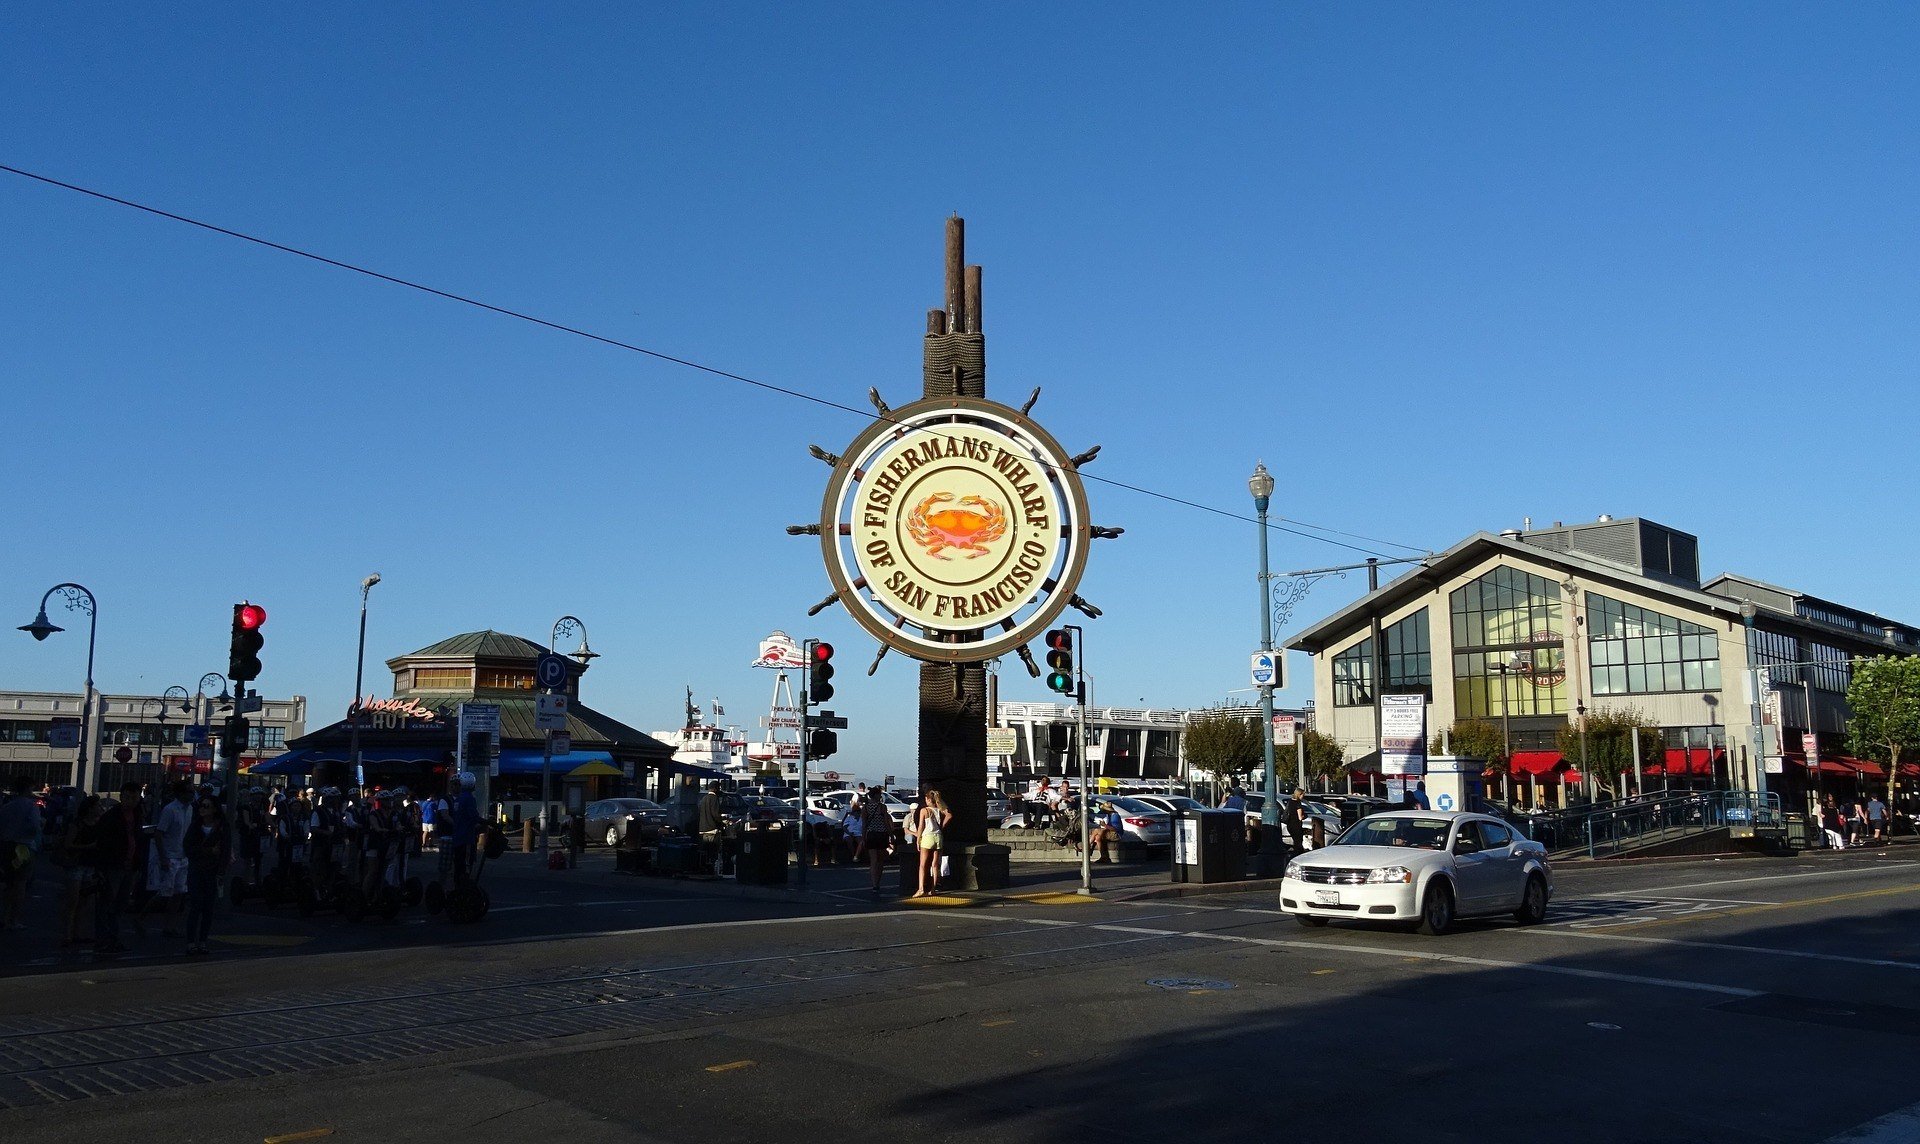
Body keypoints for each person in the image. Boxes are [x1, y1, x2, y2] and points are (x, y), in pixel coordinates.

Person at [181, 796, 231, 956]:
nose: (202, 809)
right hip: (197, 870)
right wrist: (209, 851)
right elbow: (188, 848)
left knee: (208, 908)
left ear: (214, 809)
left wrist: (222, 870)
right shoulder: (195, 826)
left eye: (206, 806)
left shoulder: (222, 827)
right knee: (196, 906)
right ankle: (190, 943)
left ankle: (202, 941)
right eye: (201, 806)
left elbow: (226, 850)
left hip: (213, 871)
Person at [91, 787, 138, 955]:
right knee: (107, 904)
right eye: (128, 797)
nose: (131, 801)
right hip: (114, 865)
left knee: (119, 904)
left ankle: (112, 938)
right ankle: (104, 940)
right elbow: (103, 842)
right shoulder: (112, 817)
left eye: (134, 797)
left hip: (127, 864)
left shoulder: (135, 815)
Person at [148, 782, 194, 938]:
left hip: (183, 855)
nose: (191, 794)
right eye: (188, 791)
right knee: (165, 892)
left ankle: (170, 925)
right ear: (180, 794)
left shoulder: (190, 809)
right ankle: (143, 916)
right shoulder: (170, 810)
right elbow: (159, 833)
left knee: (179, 893)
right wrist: (163, 857)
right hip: (170, 855)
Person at [57, 795, 103, 949]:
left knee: (84, 901)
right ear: (90, 808)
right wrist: (88, 846)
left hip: (88, 865)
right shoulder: (78, 824)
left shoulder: (96, 824)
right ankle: (68, 934)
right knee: (73, 900)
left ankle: (77, 933)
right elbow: (68, 844)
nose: (100, 808)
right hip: (76, 864)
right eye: (97, 806)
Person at [0, 776, 43, 932]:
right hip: (24, 846)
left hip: (7, 845)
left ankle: (4, 916)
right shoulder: (31, 807)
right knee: (21, 883)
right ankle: (14, 918)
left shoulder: (7, 806)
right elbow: (34, 827)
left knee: (9, 883)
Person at [913, 790, 951, 897]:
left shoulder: (924, 810)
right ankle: (933, 888)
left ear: (929, 800)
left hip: (927, 836)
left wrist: (918, 839)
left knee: (923, 865)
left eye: (926, 799)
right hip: (938, 836)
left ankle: (921, 889)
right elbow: (949, 815)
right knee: (935, 865)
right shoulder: (939, 809)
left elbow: (921, 826)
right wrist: (941, 827)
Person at [858, 786, 894, 894]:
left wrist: (863, 837)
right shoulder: (882, 807)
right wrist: (891, 835)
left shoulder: (865, 808)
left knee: (873, 860)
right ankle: (878, 881)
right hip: (881, 834)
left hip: (871, 834)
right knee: (880, 860)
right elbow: (886, 823)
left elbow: (864, 824)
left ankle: (874, 884)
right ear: (877, 795)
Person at [697, 782, 726, 872]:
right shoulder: (714, 799)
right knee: (713, 852)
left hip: (703, 829)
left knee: (704, 852)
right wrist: (723, 821)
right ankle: (713, 870)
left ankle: (704, 869)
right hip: (712, 829)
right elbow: (715, 814)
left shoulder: (704, 799)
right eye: (719, 788)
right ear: (715, 788)